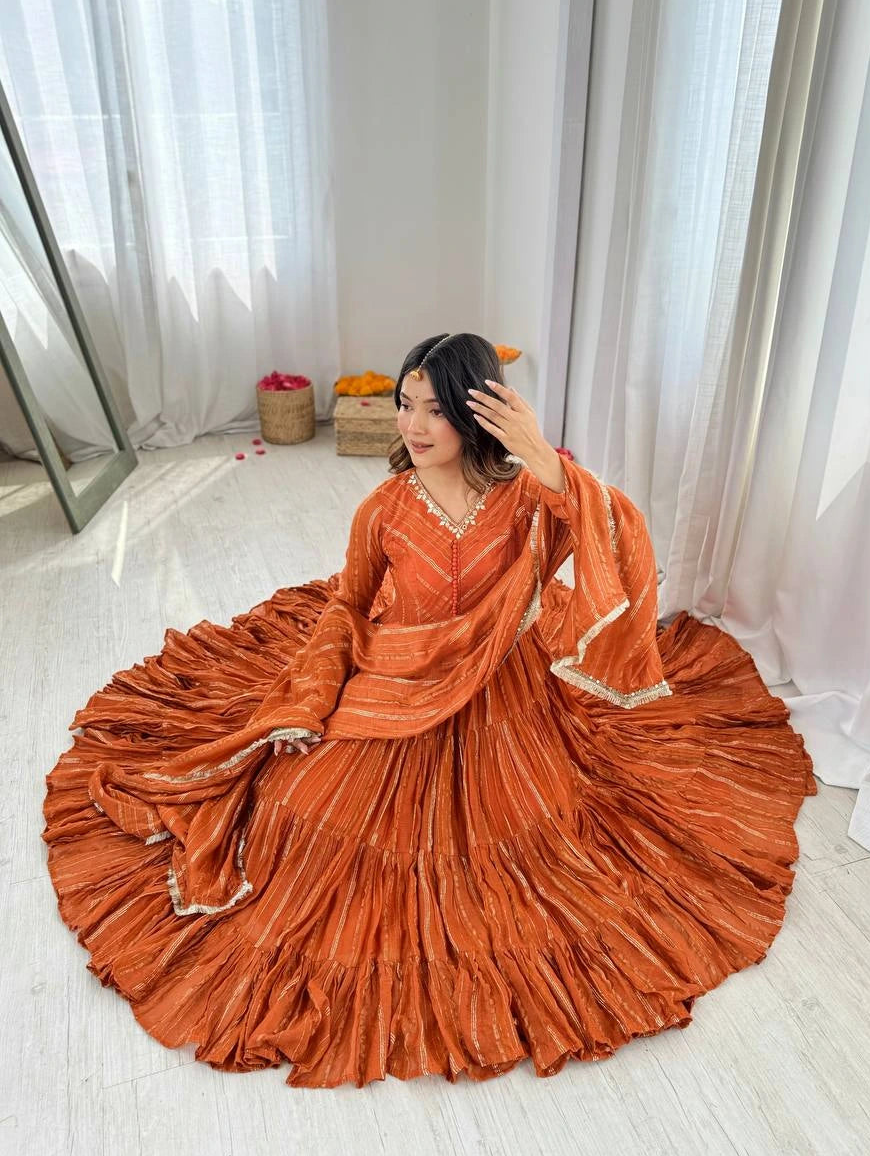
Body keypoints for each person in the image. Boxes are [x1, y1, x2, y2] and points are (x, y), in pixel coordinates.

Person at [42, 332, 817, 1090]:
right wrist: (313, 693)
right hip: (396, 680)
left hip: (505, 701)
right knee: (294, 809)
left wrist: (545, 457)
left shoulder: (525, 500)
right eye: (404, 405)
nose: (411, 425)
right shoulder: (383, 508)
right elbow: (348, 604)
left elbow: (610, 528)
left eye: (433, 410)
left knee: (531, 843)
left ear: (477, 415)